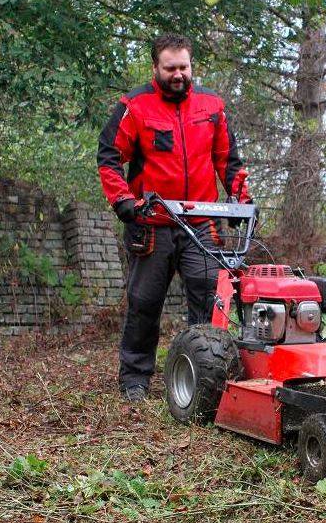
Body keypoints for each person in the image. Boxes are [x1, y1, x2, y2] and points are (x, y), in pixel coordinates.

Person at [97, 33, 251, 403]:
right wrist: (123, 201)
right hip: (152, 223)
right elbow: (109, 156)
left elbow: (228, 160)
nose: (178, 74)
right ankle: (135, 379)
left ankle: (204, 378)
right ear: (156, 68)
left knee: (210, 301)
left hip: (201, 222)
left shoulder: (212, 106)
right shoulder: (135, 106)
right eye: (170, 68)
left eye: (184, 67)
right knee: (144, 302)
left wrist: (241, 199)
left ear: (191, 66)